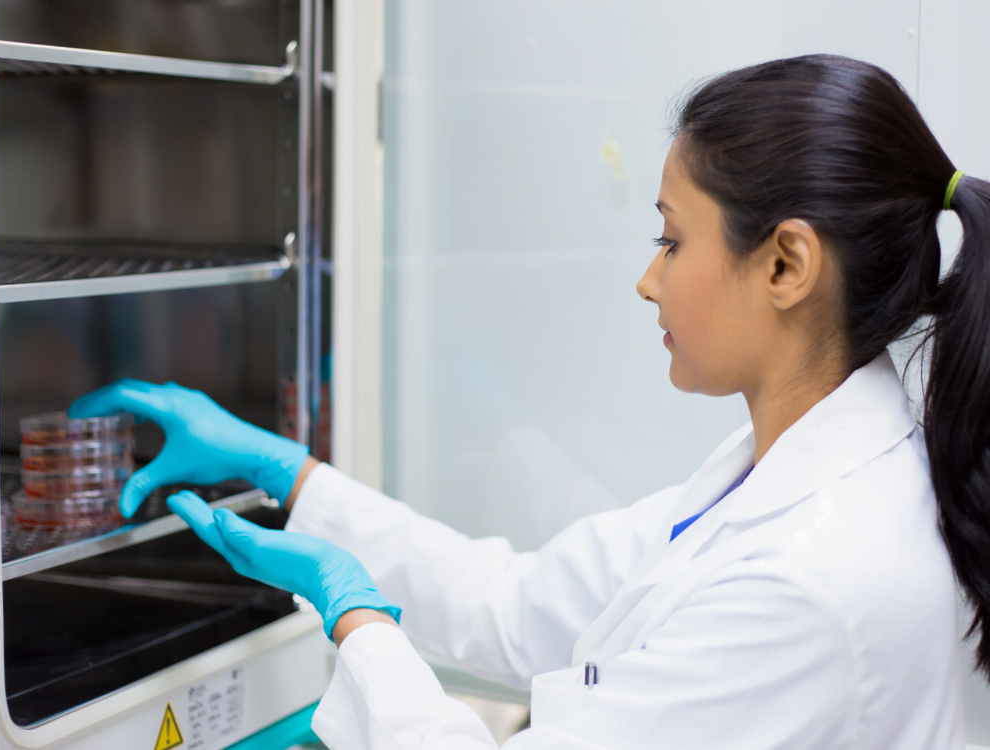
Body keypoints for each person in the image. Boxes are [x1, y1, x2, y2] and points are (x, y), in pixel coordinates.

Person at [68, 54, 988, 749]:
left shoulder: (814, 580)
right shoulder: (786, 477)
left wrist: (355, 620)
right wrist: (292, 474)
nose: (646, 280)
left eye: (671, 241)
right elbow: (516, 606)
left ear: (786, 263)